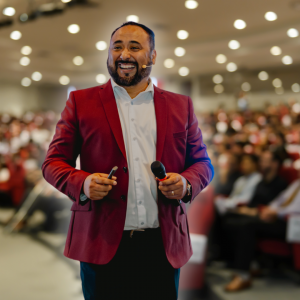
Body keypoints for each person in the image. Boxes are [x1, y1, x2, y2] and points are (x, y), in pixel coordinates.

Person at [42, 22, 214, 300]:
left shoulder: (181, 105)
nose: (124, 54)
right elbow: (53, 162)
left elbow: (202, 163)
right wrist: (83, 182)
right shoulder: (80, 102)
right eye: (117, 47)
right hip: (102, 240)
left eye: (135, 47)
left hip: (162, 243)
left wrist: (186, 182)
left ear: (153, 56)